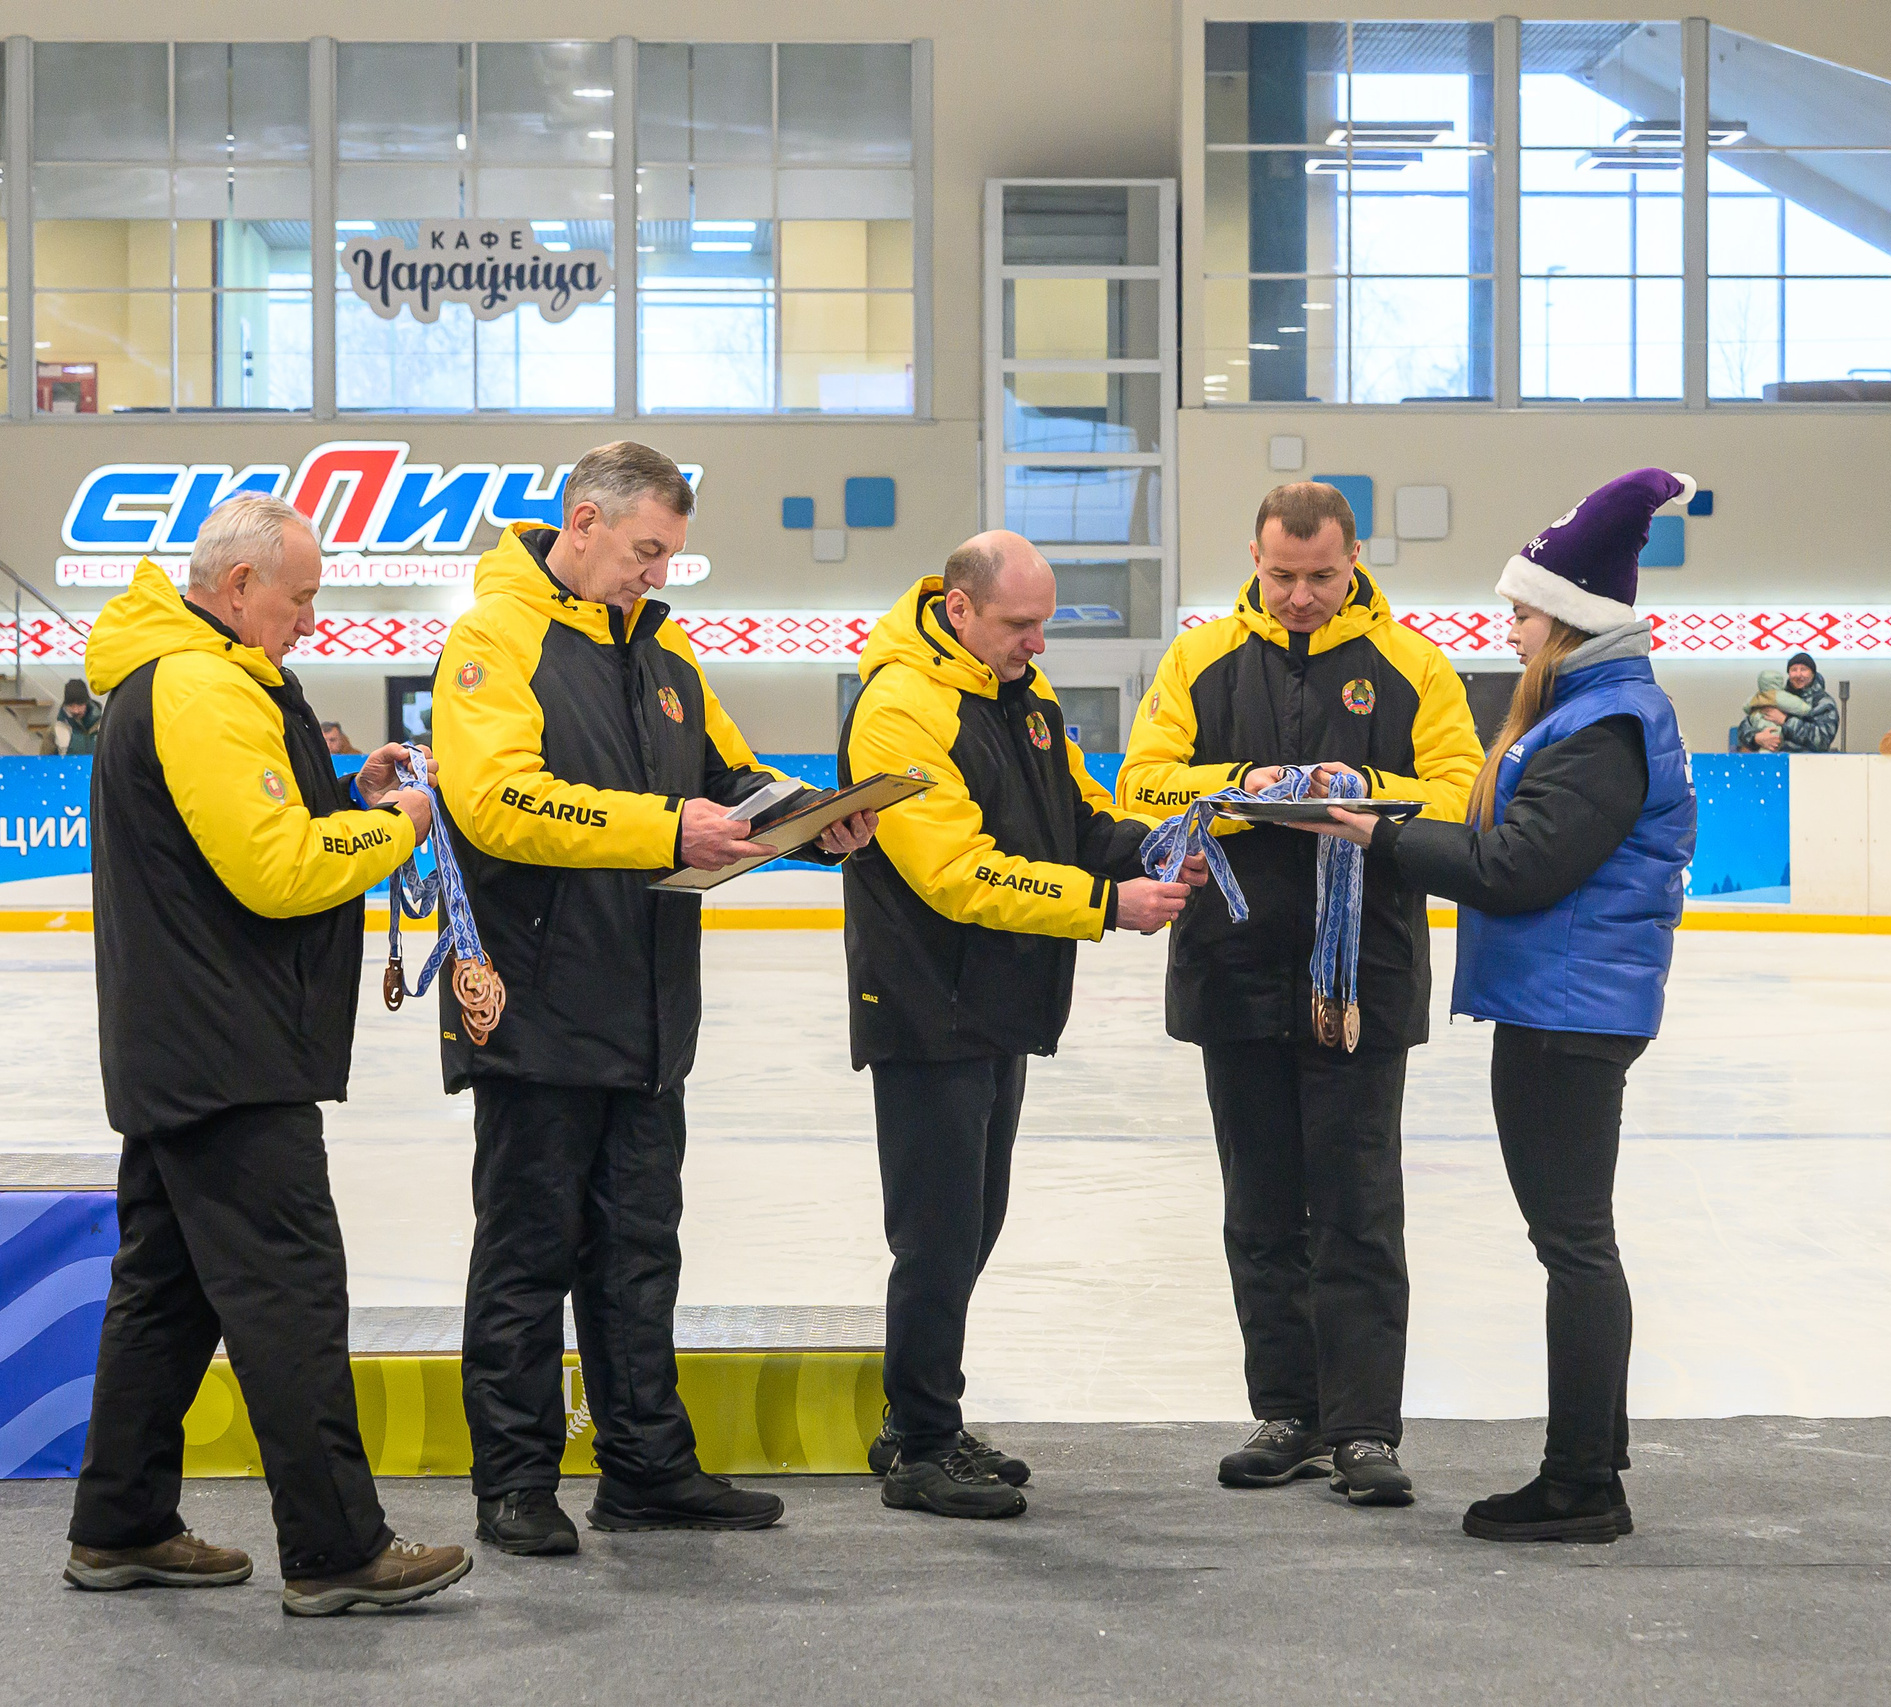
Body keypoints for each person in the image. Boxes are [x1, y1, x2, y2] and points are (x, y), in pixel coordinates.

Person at [431, 441, 878, 1557]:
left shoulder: (666, 654)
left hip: (646, 1013)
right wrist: (661, 829)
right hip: (535, 1008)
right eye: (643, 551)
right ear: (580, 524)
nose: (656, 573)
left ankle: (643, 1467)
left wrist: (817, 826)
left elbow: (729, 781)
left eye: (669, 555)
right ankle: (515, 1481)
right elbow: (495, 804)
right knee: (529, 1255)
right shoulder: (494, 637)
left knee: (639, 1249)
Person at [66, 495, 471, 1616]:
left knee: (165, 1296)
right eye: (299, 599)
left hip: (184, 1041)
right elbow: (276, 869)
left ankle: (121, 1525)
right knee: (291, 1294)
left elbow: (240, 831)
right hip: (227, 1051)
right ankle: (338, 1548)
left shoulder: (198, 673)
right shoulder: (199, 684)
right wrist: (401, 826)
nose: (308, 621)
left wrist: (349, 792)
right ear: (239, 587)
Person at [1292, 468, 1696, 1545]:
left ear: (1565, 620)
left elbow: (1518, 869)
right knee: (1573, 1241)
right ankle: (1588, 1462)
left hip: (1570, 1013)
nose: (1505, 630)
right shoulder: (1589, 712)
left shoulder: (1603, 726)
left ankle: (1581, 1483)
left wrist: (1376, 830)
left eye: (1519, 613)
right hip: (1560, 1002)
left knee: (1573, 1244)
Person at [1118, 481, 1483, 1509]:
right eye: (1281, 575)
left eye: (1321, 575)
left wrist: (1360, 797)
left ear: (1354, 558)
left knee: (1358, 1208)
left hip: (1360, 977)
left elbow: (1460, 791)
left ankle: (1363, 1429)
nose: (1300, 595)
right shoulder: (1197, 659)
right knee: (1262, 1207)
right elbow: (1141, 781)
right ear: (1254, 556)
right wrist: (1256, 788)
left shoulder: (1412, 665)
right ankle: (1286, 1412)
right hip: (1231, 971)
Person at [840, 532, 1195, 1519]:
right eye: (1017, 625)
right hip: (925, 1004)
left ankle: (921, 1416)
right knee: (938, 1231)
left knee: (972, 1222)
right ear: (959, 608)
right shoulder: (901, 708)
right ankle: (919, 1445)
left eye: (1043, 624)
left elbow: (1080, 817)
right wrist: (1103, 903)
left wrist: (1155, 846)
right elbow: (952, 873)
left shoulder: (1021, 702)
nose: (1035, 643)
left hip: (997, 1005)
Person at [1742, 652, 1837, 752]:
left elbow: (1822, 740)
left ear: (1812, 673)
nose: (1799, 674)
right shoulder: (1775, 697)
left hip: (1810, 763)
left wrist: (1785, 720)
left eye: (1804, 669)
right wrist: (1756, 738)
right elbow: (1746, 726)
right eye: (1794, 670)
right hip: (1774, 762)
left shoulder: (1823, 703)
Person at [53, 678, 101, 756]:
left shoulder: (103, 726)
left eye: (80, 705)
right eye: (71, 706)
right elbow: (45, 762)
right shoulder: (55, 729)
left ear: (87, 703)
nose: (76, 711)